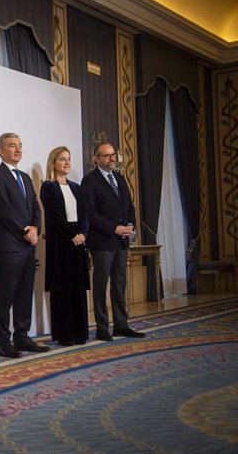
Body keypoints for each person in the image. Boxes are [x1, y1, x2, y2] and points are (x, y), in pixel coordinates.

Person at [0, 133, 50, 358]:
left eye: (20, 146)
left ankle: (22, 336)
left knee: (24, 294)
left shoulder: (24, 177)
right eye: (12, 146)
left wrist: (35, 229)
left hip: (27, 246)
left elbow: (35, 207)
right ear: (1, 151)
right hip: (10, 245)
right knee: (6, 295)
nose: (18, 150)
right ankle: (3, 341)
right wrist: (25, 231)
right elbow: (3, 210)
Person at [81, 142, 145, 341]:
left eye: (113, 155)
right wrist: (113, 228)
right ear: (97, 158)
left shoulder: (119, 178)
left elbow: (129, 206)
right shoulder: (89, 181)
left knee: (119, 284)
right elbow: (90, 213)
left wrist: (130, 225)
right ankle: (102, 327)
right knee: (101, 285)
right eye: (107, 155)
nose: (112, 158)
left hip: (121, 241)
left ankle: (121, 324)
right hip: (102, 241)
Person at [40, 146, 90, 346]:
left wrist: (83, 234)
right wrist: (72, 235)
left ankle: (80, 333)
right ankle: (65, 334)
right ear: (54, 162)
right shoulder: (48, 187)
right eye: (62, 159)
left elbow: (85, 214)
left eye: (68, 159)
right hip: (61, 244)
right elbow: (54, 217)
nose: (67, 162)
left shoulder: (77, 187)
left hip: (78, 242)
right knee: (63, 289)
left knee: (77, 288)